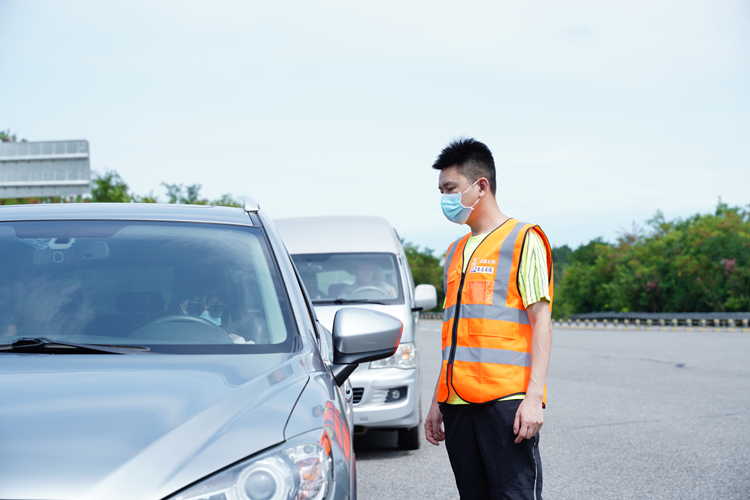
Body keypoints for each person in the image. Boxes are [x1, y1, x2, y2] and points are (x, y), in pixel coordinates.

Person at [424, 138, 554, 500]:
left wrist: (533, 399)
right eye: (441, 190)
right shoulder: (455, 252)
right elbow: (455, 336)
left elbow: (541, 321)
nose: (444, 198)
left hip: (505, 402)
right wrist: (437, 401)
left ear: (480, 186)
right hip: (456, 404)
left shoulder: (521, 239)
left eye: (450, 188)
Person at [177, 288, 248, 344]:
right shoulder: (169, 339)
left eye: (216, 309)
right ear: (179, 308)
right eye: (196, 308)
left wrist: (235, 341)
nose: (205, 313)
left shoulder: (234, 342)